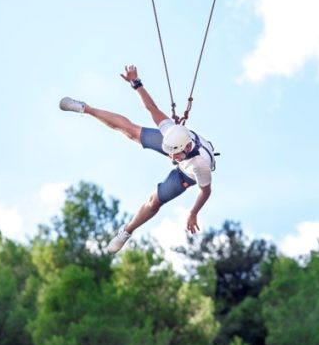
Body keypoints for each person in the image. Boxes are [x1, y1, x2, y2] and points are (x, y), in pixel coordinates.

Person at [59, 65, 216, 254]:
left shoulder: (200, 165)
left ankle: (126, 231)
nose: (171, 158)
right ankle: (86, 109)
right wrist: (136, 82)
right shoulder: (170, 132)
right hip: (177, 142)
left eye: (175, 155)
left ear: (186, 148)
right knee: (132, 131)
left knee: (154, 202)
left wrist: (193, 213)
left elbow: (205, 191)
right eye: (170, 153)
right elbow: (151, 108)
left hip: (187, 174)